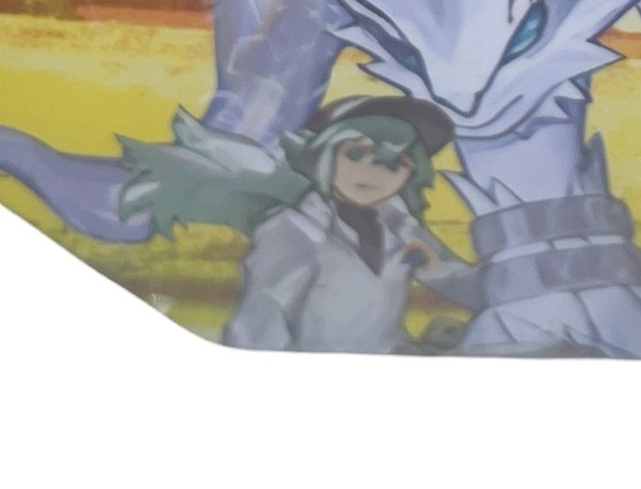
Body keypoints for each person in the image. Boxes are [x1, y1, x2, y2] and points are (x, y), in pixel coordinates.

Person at [117, 95, 458, 354]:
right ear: (323, 154)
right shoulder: (293, 231)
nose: (373, 173)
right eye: (355, 154)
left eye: (394, 164)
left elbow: (462, 281)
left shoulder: (401, 227)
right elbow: (259, 326)